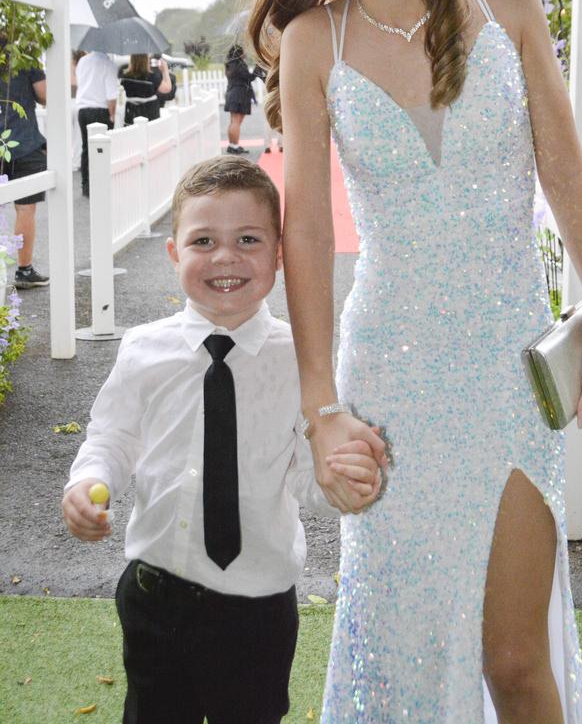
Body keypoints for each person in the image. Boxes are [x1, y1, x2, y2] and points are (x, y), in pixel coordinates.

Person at [249, 0, 582, 723]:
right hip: (389, 376)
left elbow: (564, 166)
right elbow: (304, 230)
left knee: (514, 659)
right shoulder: (310, 41)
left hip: (509, 366)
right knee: (401, 654)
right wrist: (321, 411)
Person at [61, 155, 381, 724]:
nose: (225, 257)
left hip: (257, 605)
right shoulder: (143, 349)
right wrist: (89, 481)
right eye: (203, 240)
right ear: (173, 253)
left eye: (248, 239)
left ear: (278, 256)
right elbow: (111, 437)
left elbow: (307, 477)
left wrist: (345, 477)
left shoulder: (301, 363)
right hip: (155, 590)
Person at [0, 66, 49, 288]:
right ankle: (24, 270)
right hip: (24, 143)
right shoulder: (24, 58)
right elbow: (45, 96)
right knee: (25, 208)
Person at [75, 50, 120, 198]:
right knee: (102, 150)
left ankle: (86, 186)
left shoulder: (82, 61)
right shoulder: (108, 64)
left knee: (86, 148)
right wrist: (112, 115)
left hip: (83, 110)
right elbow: (111, 96)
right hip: (100, 110)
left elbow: (80, 82)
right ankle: (101, 185)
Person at [223, 43, 264, 154]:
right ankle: (234, 146)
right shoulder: (239, 64)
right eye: (244, 51)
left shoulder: (230, 64)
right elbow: (249, 78)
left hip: (232, 93)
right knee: (236, 122)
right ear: (239, 53)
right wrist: (257, 67)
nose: (245, 52)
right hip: (239, 95)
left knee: (233, 121)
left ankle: (232, 145)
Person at [119, 52, 172, 125]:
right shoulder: (151, 77)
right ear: (146, 61)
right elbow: (167, 89)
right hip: (150, 117)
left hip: (131, 115)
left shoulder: (125, 77)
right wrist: (165, 71)